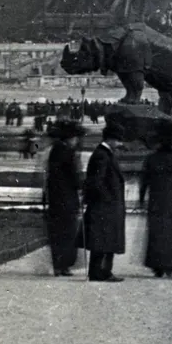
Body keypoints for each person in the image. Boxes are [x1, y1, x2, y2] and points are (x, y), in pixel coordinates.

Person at [139, 119, 172, 279]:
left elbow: (144, 181)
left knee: (156, 232)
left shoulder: (151, 159)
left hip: (155, 199)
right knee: (171, 232)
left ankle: (157, 265)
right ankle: (170, 265)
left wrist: (141, 199)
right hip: (171, 199)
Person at [84, 123, 127, 281]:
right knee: (103, 240)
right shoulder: (102, 155)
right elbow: (97, 181)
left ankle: (100, 272)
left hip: (106, 205)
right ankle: (100, 273)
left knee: (104, 240)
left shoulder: (104, 153)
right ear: (111, 140)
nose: (120, 144)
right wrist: (108, 199)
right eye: (118, 141)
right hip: (105, 206)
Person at [43, 119, 84, 277]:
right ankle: (64, 265)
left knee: (58, 232)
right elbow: (74, 176)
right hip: (67, 198)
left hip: (56, 197)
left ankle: (59, 265)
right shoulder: (68, 152)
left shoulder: (56, 150)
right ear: (71, 138)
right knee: (67, 232)